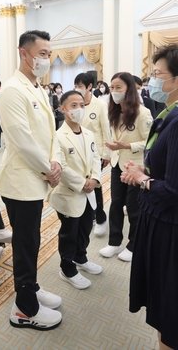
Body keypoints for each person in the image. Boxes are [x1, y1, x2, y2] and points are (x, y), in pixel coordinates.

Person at [122, 44, 178, 350]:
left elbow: (176, 190)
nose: (151, 79)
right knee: (164, 307)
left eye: (158, 74)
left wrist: (142, 179)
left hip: (174, 228)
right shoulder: (176, 113)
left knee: (171, 313)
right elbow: (174, 165)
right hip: (168, 221)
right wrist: (145, 168)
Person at [0, 30, 63, 330]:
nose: (47, 59)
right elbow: (22, 139)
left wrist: (55, 160)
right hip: (20, 182)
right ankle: (24, 308)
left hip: (37, 177)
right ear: (24, 53)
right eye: (42, 53)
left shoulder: (36, 87)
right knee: (25, 245)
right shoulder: (12, 90)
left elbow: (50, 132)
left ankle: (31, 288)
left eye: (49, 54)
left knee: (32, 241)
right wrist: (49, 169)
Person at [49, 90, 102, 290]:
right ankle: (67, 268)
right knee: (69, 233)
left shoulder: (88, 133)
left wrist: (95, 178)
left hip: (89, 192)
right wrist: (82, 183)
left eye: (81, 105)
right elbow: (61, 166)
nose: (79, 109)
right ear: (63, 109)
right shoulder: (58, 136)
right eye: (73, 105)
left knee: (86, 227)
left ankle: (81, 257)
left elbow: (95, 157)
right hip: (69, 193)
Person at [99, 72, 152, 262]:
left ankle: (133, 244)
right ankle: (114, 242)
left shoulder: (142, 113)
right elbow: (113, 138)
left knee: (133, 207)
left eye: (118, 87)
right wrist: (109, 152)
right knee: (115, 204)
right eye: (112, 87)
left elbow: (150, 142)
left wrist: (128, 146)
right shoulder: (113, 111)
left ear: (129, 89)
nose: (114, 91)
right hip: (117, 163)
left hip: (135, 166)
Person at [73, 72, 111, 237]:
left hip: (96, 153)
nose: (77, 89)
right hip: (77, 152)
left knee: (95, 186)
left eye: (80, 86)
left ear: (89, 87)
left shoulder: (100, 105)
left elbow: (106, 129)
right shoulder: (75, 104)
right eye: (76, 86)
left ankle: (101, 218)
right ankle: (90, 215)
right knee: (81, 186)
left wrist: (107, 154)